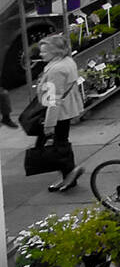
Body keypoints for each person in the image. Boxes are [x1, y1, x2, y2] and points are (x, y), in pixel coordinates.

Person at [33, 35, 85, 192]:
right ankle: (69, 174)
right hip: (67, 109)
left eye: (44, 51)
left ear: (55, 52)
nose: (41, 54)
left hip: (59, 113)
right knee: (61, 142)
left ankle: (69, 172)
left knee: (55, 146)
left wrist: (49, 123)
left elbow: (54, 100)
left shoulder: (56, 70)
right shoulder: (67, 61)